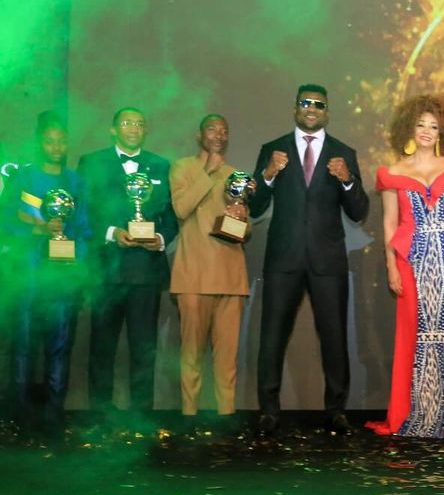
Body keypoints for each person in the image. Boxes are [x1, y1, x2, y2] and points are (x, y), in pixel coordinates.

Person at [250, 84, 369, 434]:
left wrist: (347, 181)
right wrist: (268, 174)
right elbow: (255, 207)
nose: (312, 108)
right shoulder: (272, 150)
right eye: (305, 103)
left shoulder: (343, 153)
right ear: (295, 108)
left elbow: (359, 211)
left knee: (334, 338)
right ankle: (268, 411)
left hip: (327, 260)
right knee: (271, 336)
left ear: (327, 111)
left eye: (319, 104)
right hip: (283, 258)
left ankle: (336, 411)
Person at [369, 94, 444, 438]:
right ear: (409, 128)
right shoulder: (391, 172)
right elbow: (389, 224)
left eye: (434, 125)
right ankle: (413, 415)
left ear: (443, 130)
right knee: (412, 334)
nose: (428, 131)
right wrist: (390, 266)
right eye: (421, 125)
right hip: (411, 260)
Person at [78, 107, 178, 413]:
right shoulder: (92, 163)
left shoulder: (161, 166)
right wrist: (111, 232)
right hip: (107, 272)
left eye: (139, 123)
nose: (134, 127)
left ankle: (141, 418)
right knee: (102, 349)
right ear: (113, 129)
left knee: (144, 350)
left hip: (145, 274)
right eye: (126, 122)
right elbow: (83, 211)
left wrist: (159, 239)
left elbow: (172, 217)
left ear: (145, 130)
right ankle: (98, 416)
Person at [3, 113, 89, 433]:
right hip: (26, 277)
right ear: (40, 142)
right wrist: (39, 228)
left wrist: (79, 269)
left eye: (61, 140)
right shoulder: (22, 180)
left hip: (63, 280)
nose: (56, 146)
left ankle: (54, 417)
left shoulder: (76, 182)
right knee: (23, 347)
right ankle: (19, 418)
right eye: (50, 140)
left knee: (59, 347)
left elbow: (85, 228)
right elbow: (6, 221)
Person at [169, 114, 250, 422]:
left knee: (227, 359)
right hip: (193, 276)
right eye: (213, 128)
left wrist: (241, 216)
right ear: (199, 134)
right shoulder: (183, 168)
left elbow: (247, 232)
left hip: (231, 277)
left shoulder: (235, 176)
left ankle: (225, 417)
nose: (219, 133)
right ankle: (188, 416)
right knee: (191, 355)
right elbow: (181, 208)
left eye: (224, 130)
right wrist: (208, 171)